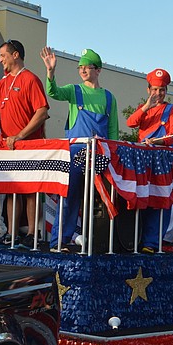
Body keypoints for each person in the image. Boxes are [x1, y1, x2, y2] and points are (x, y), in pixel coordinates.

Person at [41, 46, 118, 250]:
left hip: (99, 156)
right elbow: (53, 92)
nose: (83, 70)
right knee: (69, 198)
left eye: (87, 67)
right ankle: (59, 241)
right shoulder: (75, 91)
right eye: (80, 67)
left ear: (98, 70)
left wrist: (113, 154)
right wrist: (50, 72)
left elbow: (113, 130)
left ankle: (100, 242)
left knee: (99, 202)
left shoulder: (109, 98)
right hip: (75, 154)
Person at [0, 39, 50, 244]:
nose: (0, 60)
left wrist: (20, 135)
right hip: (8, 145)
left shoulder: (30, 79)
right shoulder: (2, 82)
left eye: (3, 55)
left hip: (29, 144)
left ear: (15, 55)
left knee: (31, 190)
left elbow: (42, 112)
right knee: (12, 189)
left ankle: (33, 233)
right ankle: (12, 234)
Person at [126, 68, 173, 252]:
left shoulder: (172, 109)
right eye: (155, 89)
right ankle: (137, 240)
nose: (158, 93)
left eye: (162, 90)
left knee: (161, 199)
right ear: (148, 89)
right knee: (143, 197)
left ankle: (152, 242)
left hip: (162, 160)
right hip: (143, 159)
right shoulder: (144, 109)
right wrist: (146, 107)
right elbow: (131, 123)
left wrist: (159, 141)